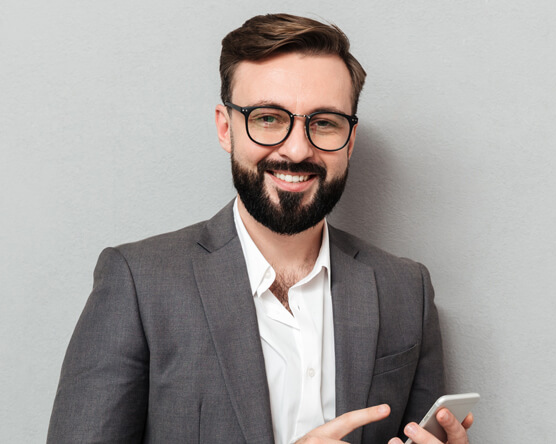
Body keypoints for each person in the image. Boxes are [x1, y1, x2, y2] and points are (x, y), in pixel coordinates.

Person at [47, 13, 473, 444]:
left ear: (350, 140)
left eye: (325, 122)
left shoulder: (407, 289)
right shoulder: (138, 282)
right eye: (268, 118)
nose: (297, 150)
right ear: (225, 128)